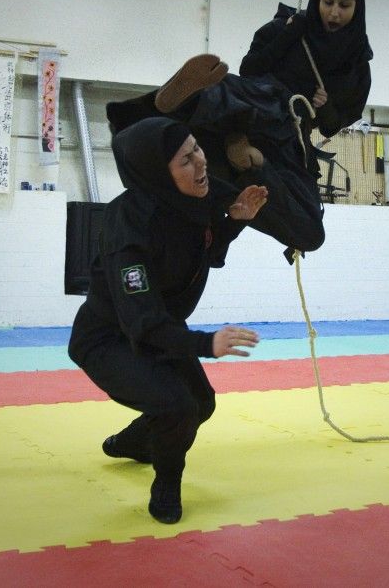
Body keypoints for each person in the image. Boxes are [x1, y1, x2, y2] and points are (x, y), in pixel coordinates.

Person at [68, 116, 267, 524]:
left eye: (197, 149)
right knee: (177, 406)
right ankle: (166, 483)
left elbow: (206, 255)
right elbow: (142, 320)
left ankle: (134, 443)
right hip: (110, 339)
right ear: (158, 173)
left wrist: (235, 224)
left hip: (161, 330)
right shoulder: (128, 226)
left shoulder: (190, 203)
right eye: (184, 160)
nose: (200, 163)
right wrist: (204, 344)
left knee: (202, 404)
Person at [105, 0, 372, 260]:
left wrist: (327, 107)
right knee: (225, 91)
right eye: (328, 1)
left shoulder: (357, 64)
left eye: (344, 5)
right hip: (259, 103)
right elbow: (250, 68)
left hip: (289, 141)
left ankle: (252, 166)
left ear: (358, 7)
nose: (334, 12)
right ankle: (187, 103)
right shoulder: (289, 26)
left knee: (311, 232)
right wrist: (289, 35)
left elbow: (332, 126)